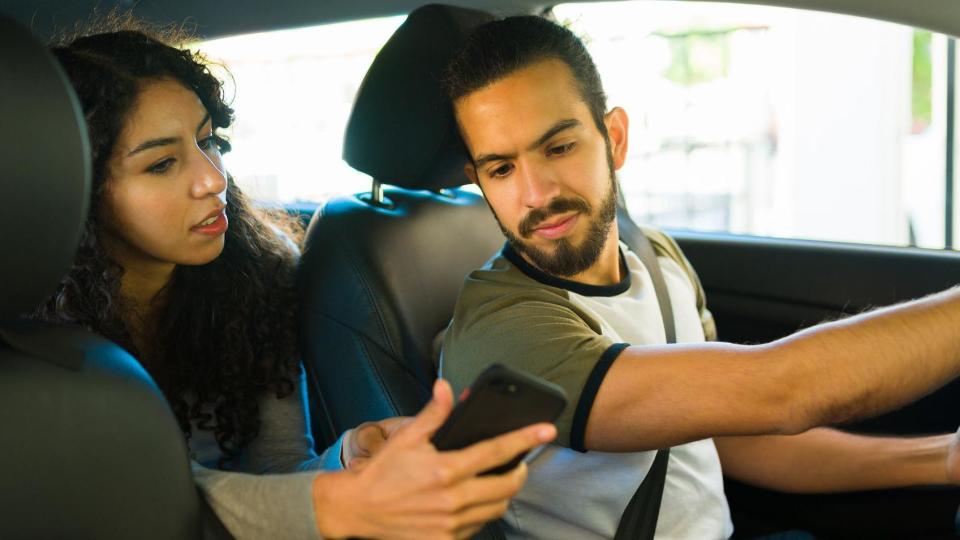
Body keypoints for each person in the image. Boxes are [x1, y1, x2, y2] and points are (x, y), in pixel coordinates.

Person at [439, 15, 960, 539]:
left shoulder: (658, 260)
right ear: (478, 180)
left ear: (614, 138)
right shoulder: (502, 328)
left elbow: (730, 431)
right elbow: (779, 390)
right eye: (501, 169)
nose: (537, 193)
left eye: (558, 147)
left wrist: (941, 458)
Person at [35, 16, 555, 540]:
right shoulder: (32, 334)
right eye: (163, 164)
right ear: (80, 187)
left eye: (207, 141)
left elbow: (277, 470)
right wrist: (342, 503)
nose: (213, 179)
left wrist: (350, 458)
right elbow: (118, 500)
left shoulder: (260, 274)